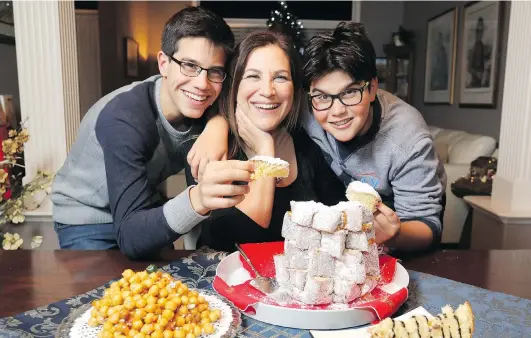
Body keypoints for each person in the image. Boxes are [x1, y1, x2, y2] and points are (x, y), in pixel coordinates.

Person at [189, 22, 447, 252]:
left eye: (350, 93)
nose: (336, 112)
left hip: (392, 238)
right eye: (322, 96)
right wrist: (218, 125)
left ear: (372, 88)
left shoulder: (405, 138)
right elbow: (235, 241)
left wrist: (395, 234)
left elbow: (427, 226)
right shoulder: (218, 148)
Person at [50, 6, 252, 259]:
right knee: (104, 295)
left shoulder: (205, 107)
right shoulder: (124, 117)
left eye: (214, 71)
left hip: (140, 203)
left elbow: (232, 101)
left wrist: (217, 125)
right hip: (88, 216)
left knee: (168, 287)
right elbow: (132, 239)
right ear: (164, 64)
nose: (202, 84)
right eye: (189, 66)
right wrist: (197, 200)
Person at [196, 30, 346, 252]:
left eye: (280, 77)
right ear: (234, 86)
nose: (267, 91)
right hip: (219, 280)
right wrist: (265, 150)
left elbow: (339, 218)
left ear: (295, 89)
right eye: (253, 76)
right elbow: (243, 238)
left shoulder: (307, 143)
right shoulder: (214, 148)